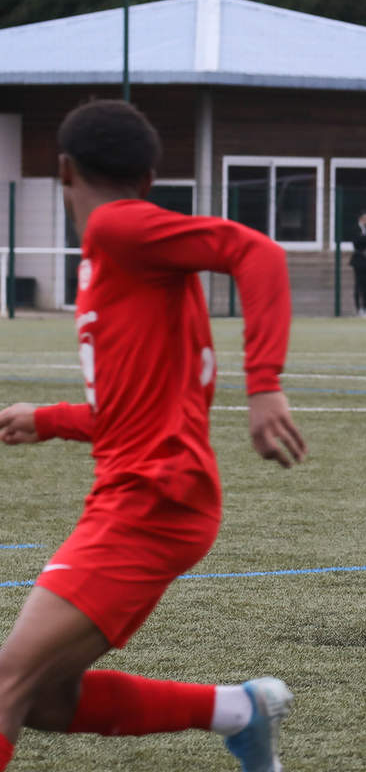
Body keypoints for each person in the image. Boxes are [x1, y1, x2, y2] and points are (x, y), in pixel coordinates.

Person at [0, 99, 306, 771]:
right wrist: (47, 420)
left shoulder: (114, 229)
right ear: (147, 177)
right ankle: (240, 711)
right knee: (47, 700)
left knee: (5, 684)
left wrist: (265, 383)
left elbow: (253, 251)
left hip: (151, 498)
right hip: (152, 494)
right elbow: (127, 410)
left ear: (62, 171)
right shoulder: (124, 257)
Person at [350, 209, 366, 318]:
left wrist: (365, 239)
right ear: (360, 218)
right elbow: (357, 242)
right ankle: (358, 308)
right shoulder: (355, 228)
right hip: (358, 261)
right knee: (358, 285)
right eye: (365, 218)